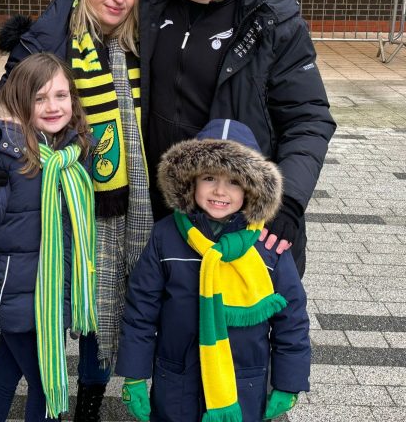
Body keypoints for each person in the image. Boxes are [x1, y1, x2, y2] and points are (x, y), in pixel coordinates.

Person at [0, 0, 151, 421]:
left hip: (126, 205)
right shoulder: (49, 39)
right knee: (48, 363)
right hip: (59, 216)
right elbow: (1, 108)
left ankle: (89, 404)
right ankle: (75, 404)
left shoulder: (143, 40)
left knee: (98, 313)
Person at [139, 0, 336, 277]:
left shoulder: (271, 20)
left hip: (239, 222)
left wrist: (289, 201)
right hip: (162, 219)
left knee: (246, 332)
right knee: (168, 328)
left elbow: (308, 118)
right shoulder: (148, 0)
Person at [115, 119, 310, 422]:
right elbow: (141, 309)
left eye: (234, 181)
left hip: (242, 384)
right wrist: (135, 373)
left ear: (253, 189)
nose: (220, 190)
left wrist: (288, 381)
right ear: (189, 182)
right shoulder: (166, 236)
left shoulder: (267, 246)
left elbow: (292, 318)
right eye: (209, 177)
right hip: (178, 380)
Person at [0, 53, 95, 421]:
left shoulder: (67, 154)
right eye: (40, 97)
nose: (53, 106)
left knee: (3, 379)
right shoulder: (1, 155)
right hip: (17, 299)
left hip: (46, 297)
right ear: (19, 101)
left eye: (61, 96)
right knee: (49, 388)